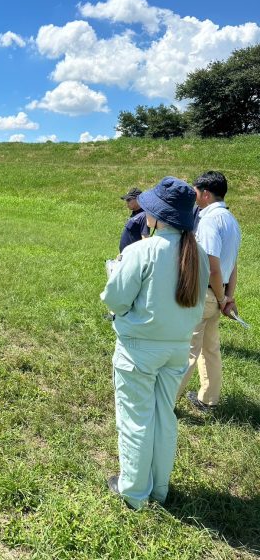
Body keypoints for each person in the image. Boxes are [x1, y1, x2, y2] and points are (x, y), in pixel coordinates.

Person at [101, 177, 209, 509]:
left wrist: (113, 273)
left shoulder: (141, 251)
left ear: (159, 216)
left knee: (135, 419)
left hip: (138, 350)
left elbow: (115, 301)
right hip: (176, 347)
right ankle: (158, 488)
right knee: (164, 416)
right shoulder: (198, 254)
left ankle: (133, 492)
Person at [177, 171, 241, 411]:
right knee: (210, 348)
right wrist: (227, 296)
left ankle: (167, 401)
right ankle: (208, 399)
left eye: (195, 192)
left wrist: (222, 296)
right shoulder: (232, 220)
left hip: (204, 293)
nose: (193, 196)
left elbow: (213, 268)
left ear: (205, 194)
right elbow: (232, 264)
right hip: (218, 294)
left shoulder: (208, 220)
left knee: (187, 350)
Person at [119, 187, 149, 253]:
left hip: (133, 256)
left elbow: (145, 239)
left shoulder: (144, 216)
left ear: (138, 199)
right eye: (126, 200)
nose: (126, 202)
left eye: (129, 200)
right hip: (126, 255)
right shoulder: (134, 214)